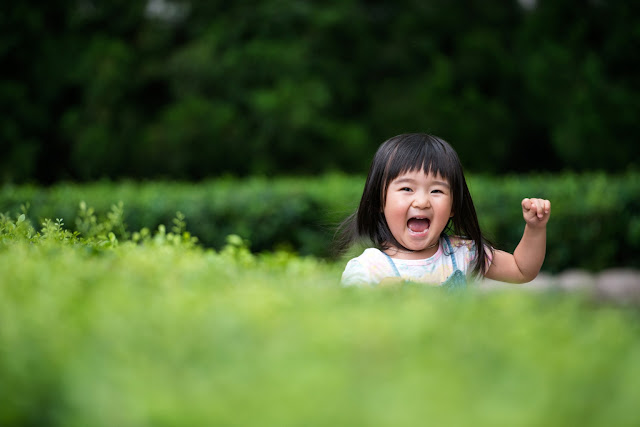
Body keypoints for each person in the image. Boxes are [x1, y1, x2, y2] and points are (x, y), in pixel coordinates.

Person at [338, 133, 551, 288]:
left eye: (437, 190)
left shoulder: (463, 253)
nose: (422, 202)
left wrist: (535, 227)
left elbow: (521, 270)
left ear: (453, 206)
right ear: (379, 201)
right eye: (406, 188)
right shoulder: (368, 268)